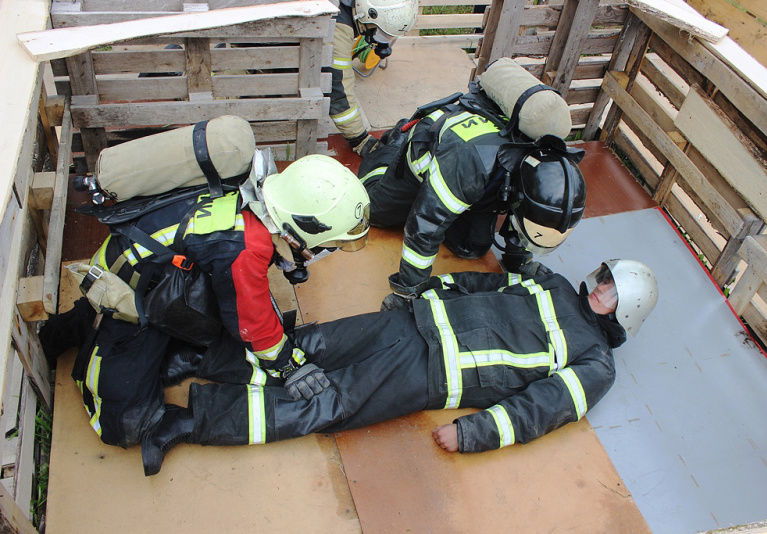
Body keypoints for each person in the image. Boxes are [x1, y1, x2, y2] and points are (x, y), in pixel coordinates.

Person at [139, 259, 658, 476]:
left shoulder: (597, 363)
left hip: (432, 373)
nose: (603, 289)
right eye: (606, 277)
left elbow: (541, 409)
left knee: (327, 403)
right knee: (310, 346)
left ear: (627, 311)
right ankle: (198, 359)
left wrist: (475, 433)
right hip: (414, 321)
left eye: (615, 291)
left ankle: (188, 422)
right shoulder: (556, 284)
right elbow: (482, 285)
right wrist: (425, 291)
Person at [39, 152, 371, 451]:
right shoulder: (246, 246)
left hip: (158, 269)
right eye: (328, 242)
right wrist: (289, 364)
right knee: (126, 425)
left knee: (215, 321)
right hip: (127, 295)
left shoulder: (254, 189)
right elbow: (253, 322)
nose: (325, 250)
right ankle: (78, 333)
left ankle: (64, 332)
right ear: (301, 226)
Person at [357, 73, 587, 311]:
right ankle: (393, 144)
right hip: (426, 152)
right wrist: (408, 290)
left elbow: (523, 211)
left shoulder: (551, 168)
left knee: (472, 248)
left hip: (474, 172)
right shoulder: (469, 164)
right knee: (372, 213)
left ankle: (456, 199)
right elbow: (424, 225)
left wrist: (518, 257)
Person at [328, 0, 419, 156]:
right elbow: (338, 90)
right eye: (377, 31)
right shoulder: (337, 28)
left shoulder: (350, 9)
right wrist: (359, 138)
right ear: (367, 12)